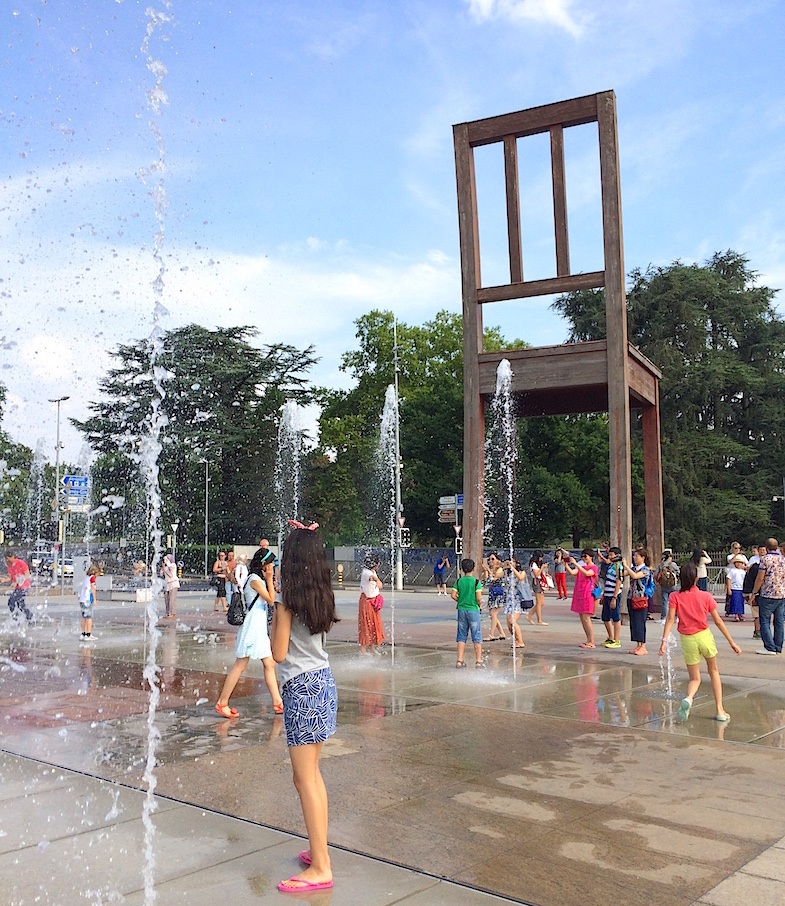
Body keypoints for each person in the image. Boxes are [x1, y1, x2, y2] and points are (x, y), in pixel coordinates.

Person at [271, 522, 339, 894]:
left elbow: (279, 652)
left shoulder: (286, 600)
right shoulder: (321, 594)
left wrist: (273, 613)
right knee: (309, 776)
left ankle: (322, 867)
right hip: (323, 682)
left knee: (306, 778)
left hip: (301, 688)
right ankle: (318, 851)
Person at [659, 561, 741, 722]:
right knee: (714, 672)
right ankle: (719, 709)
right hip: (704, 636)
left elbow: (670, 619)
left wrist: (664, 640)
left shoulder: (674, 596)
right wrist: (732, 642)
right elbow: (718, 621)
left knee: (695, 678)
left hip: (687, 639)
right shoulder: (705, 596)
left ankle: (689, 698)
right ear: (697, 578)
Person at [215, 548, 283, 718]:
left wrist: (270, 580)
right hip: (252, 627)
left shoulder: (257, 579)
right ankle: (222, 702)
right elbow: (270, 599)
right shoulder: (254, 579)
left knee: (269, 664)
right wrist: (269, 579)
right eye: (270, 564)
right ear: (262, 564)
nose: (272, 567)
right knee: (241, 665)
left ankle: (277, 702)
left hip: (258, 628)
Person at [751, 538, 785, 655]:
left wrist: (754, 592)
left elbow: (760, 577)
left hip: (767, 594)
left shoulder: (765, 559)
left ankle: (769, 647)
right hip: (781, 594)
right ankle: (778, 645)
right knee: (779, 621)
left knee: (764, 620)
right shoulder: (783, 559)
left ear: (766, 547)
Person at [451, 558, 484, 667]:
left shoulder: (459, 581)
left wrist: (460, 600)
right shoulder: (476, 582)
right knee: (476, 635)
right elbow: (479, 597)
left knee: (461, 635)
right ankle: (478, 661)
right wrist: (479, 604)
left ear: (462, 569)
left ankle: (459, 660)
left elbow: (453, 595)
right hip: (473, 610)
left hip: (461, 610)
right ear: (473, 569)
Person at [564, 549, 599, 649]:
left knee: (586, 618)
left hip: (587, 593)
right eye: (583, 556)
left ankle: (592, 641)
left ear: (591, 557)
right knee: (582, 618)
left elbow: (587, 574)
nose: (584, 558)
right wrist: (566, 564)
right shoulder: (582, 566)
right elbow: (572, 572)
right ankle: (588, 639)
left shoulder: (594, 567)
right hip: (579, 592)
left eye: (586, 556)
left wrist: (576, 564)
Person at [622, 547, 652, 656]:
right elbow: (622, 574)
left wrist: (626, 566)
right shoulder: (634, 568)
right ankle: (638, 645)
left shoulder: (646, 570)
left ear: (643, 557)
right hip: (631, 597)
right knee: (634, 622)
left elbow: (635, 576)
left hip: (641, 598)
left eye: (636, 556)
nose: (634, 558)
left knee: (640, 622)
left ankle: (643, 646)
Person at [358, 555, 385, 655]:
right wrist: (377, 581)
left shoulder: (373, 571)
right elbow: (371, 578)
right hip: (367, 602)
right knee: (366, 624)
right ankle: (363, 650)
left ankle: (372, 647)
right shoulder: (366, 572)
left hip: (373, 601)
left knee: (374, 624)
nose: (379, 565)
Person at [600, 546, 623, 648]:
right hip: (607, 594)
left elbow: (618, 582)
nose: (609, 556)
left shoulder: (619, 567)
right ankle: (611, 637)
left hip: (614, 595)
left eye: (611, 555)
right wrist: (604, 595)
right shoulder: (610, 566)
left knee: (615, 617)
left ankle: (617, 640)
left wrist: (614, 597)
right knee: (605, 617)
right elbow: (607, 582)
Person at [2, 552, 33, 622]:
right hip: (18, 588)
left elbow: (27, 575)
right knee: (21, 605)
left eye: (8, 559)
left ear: (13, 556)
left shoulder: (21, 563)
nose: (7, 561)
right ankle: (29, 616)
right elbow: (10, 577)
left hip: (24, 586)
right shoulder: (10, 566)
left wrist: (17, 581)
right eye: (6, 559)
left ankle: (16, 617)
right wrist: (3, 580)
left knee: (11, 601)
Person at [482, 552, 507, 640]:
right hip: (492, 594)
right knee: (492, 615)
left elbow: (493, 579)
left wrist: (488, 570)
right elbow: (486, 582)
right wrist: (486, 571)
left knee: (493, 614)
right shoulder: (490, 569)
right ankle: (502, 633)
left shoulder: (500, 570)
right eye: (489, 559)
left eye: (493, 559)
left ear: (498, 560)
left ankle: (491, 635)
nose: (490, 561)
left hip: (499, 594)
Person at [655, 548, 679, 623]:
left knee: (664, 602)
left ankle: (663, 618)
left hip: (664, 586)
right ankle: (677, 617)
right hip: (673, 585)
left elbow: (655, 574)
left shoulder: (660, 565)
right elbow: (678, 572)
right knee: (675, 601)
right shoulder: (673, 564)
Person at [78, 563, 100, 639]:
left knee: (84, 617)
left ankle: (83, 634)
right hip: (87, 600)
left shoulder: (86, 577)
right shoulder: (92, 578)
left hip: (82, 600)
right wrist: (95, 600)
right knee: (89, 617)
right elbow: (93, 589)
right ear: (95, 572)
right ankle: (88, 634)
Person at [527, 550, 548, 626]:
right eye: (540, 557)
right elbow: (536, 574)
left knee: (542, 603)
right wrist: (542, 567)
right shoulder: (533, 564)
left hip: (540, 582)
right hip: (537, 582)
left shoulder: (537, 564)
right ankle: (539, 620)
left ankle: (529, 615)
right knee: (539, 602)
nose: (541, 559)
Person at [725, 554, 747, 622]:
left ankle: (740, 614)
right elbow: (728, 579)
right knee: (735, 602)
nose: (738, 564)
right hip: (734, 588)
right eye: (737, 562)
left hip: (741, 588)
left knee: (741, 602)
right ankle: (736, 615)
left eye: (740, 563)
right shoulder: (732, 571)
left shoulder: (743, 571)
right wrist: (728, 588)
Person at [162, 553, 180, 619]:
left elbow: (170, 574)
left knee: (172, 599)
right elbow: (161, 574)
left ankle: (171, 613)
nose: (165, 561)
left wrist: (165, 564)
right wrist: (163, 569)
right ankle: (168, 612)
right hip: (167, 584)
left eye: (166, 559)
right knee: (167, 599)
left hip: (173, 583)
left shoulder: (173, 565)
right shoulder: (166, 567)